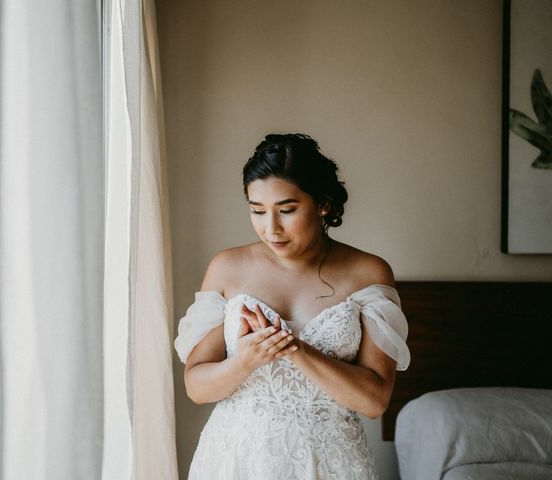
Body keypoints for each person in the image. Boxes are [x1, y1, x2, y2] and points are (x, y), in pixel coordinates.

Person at [174, 133, 410, 479]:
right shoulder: (227, 268)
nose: (271, 229)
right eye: (257, 211)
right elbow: (196, 386)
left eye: (287, 210)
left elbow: (374, 402)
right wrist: (245, 360)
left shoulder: (368, 273)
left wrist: (293, 349)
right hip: (237, 459)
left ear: (323, 204)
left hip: (329, 463)